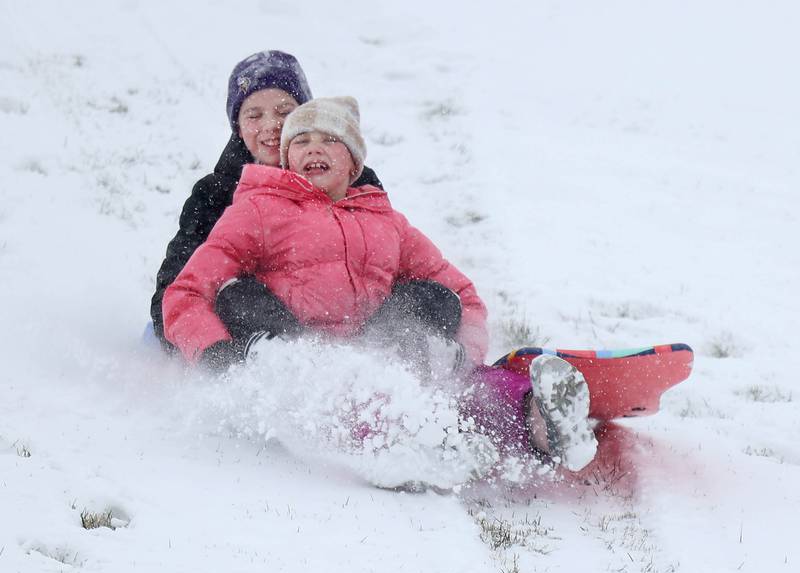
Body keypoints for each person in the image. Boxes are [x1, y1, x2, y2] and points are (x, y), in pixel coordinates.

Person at [162, 95, 597, 473]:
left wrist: (463, 353)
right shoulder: (260, 210)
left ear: (354, 162)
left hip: (383, 354)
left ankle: (542, 421)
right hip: (299, 365)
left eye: (330, 139)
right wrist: (216, 353)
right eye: (301, 141)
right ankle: (415, 440)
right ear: (286, 159)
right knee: (235, 295)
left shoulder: (386, 222)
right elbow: (186, 292)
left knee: (434, 303)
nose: (315, 148)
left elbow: (463, 294)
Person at [150, 51, 382, 350]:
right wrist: (201, 349)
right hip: (259, 333)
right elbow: (178, 285)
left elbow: (389, 255)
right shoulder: (215, 193)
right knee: (236, 293)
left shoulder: (350, 180)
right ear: (238, 126)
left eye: (284, 111)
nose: (271, 124)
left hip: (352, 327)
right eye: (254, 115)